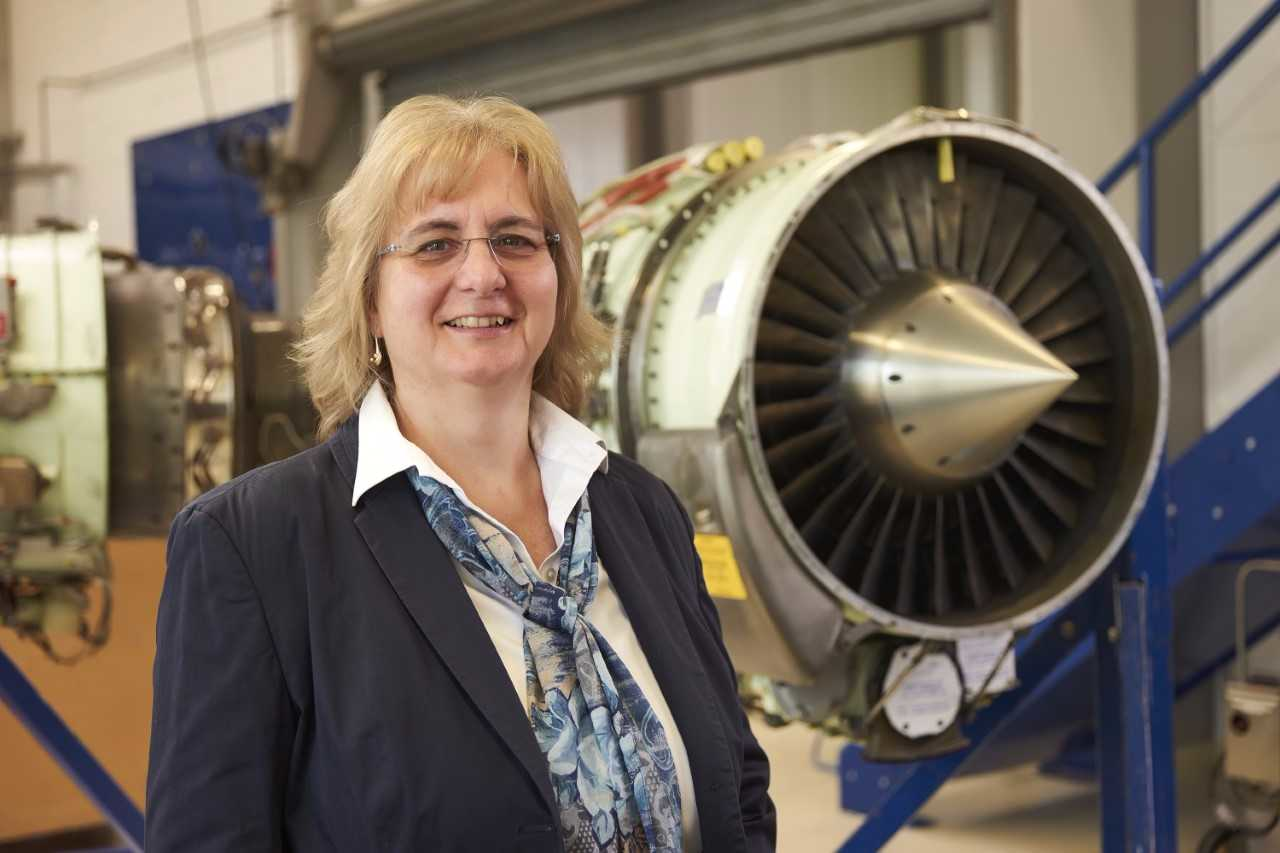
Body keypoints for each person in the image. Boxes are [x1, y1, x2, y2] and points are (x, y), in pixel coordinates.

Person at [146, 94, 776, 852]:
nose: (483, 273)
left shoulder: (642, 512)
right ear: (370, 300)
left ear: (557, 278)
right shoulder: (252, 546)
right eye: (435, 243)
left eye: (514, 239)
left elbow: (738, 787)